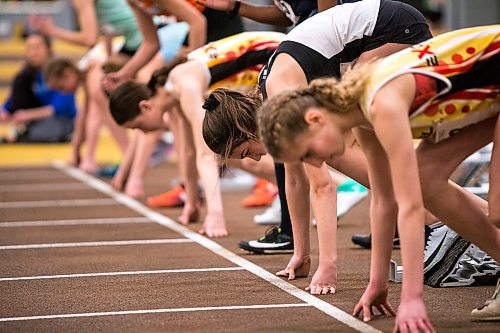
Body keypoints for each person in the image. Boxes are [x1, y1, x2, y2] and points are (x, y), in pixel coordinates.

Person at [258, 25, 499, 330]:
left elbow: (410, 207)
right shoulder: (361, 116)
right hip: (488, 95)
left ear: (315, 119)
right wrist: (377, 283)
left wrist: (412, 297)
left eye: (307, 153)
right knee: (426, 178)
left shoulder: (381, 104)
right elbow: (385, 200)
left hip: (492, 84)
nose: (315, 163)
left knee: (497, 208)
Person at [203, 0, 433, 294]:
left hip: (396, 29)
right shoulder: (274, 104)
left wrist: (328, 265)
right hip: (379, 32)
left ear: (246, 129)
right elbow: (294, 180)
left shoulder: (278, 93)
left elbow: (322, 186)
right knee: (335, 148)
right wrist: (301, 252)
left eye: (247, 152)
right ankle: (426, 204)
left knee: (331, 149)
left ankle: (429, 211)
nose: (257, 157)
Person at [109, 31, 284, 237]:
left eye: (138, 125)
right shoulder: (175, 91)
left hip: (275, 55)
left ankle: (311, 189)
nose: (143, 132)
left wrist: (215, 213)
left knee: (237, 150)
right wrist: (191, 201)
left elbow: (205, 153)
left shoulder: (183, 83)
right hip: (267, 59)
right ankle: (285, 194)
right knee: (240, 150)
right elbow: (188, 150)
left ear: (145, 106)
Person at [103, 0, 244, 199]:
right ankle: (190, 186)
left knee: (200, 110)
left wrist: (192, 68)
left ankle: (243, 173)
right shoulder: (134, 2)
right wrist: (125, 73)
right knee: (182, 120)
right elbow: (151, 43)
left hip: (221, 26)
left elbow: (198, 21)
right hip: (195, 33)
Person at [0, 33, 76, 143]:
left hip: (62, 119)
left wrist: (27, 115)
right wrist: (4, 112)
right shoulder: (26, 75)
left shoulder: (59, 71)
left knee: (48, 129)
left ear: (48, 49)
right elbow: (13, 101)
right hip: (36, 120)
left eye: (37, 47)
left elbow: (58, 108)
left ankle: (21, 136)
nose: (33, 52)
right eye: (29, 48)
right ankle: (22, 134)